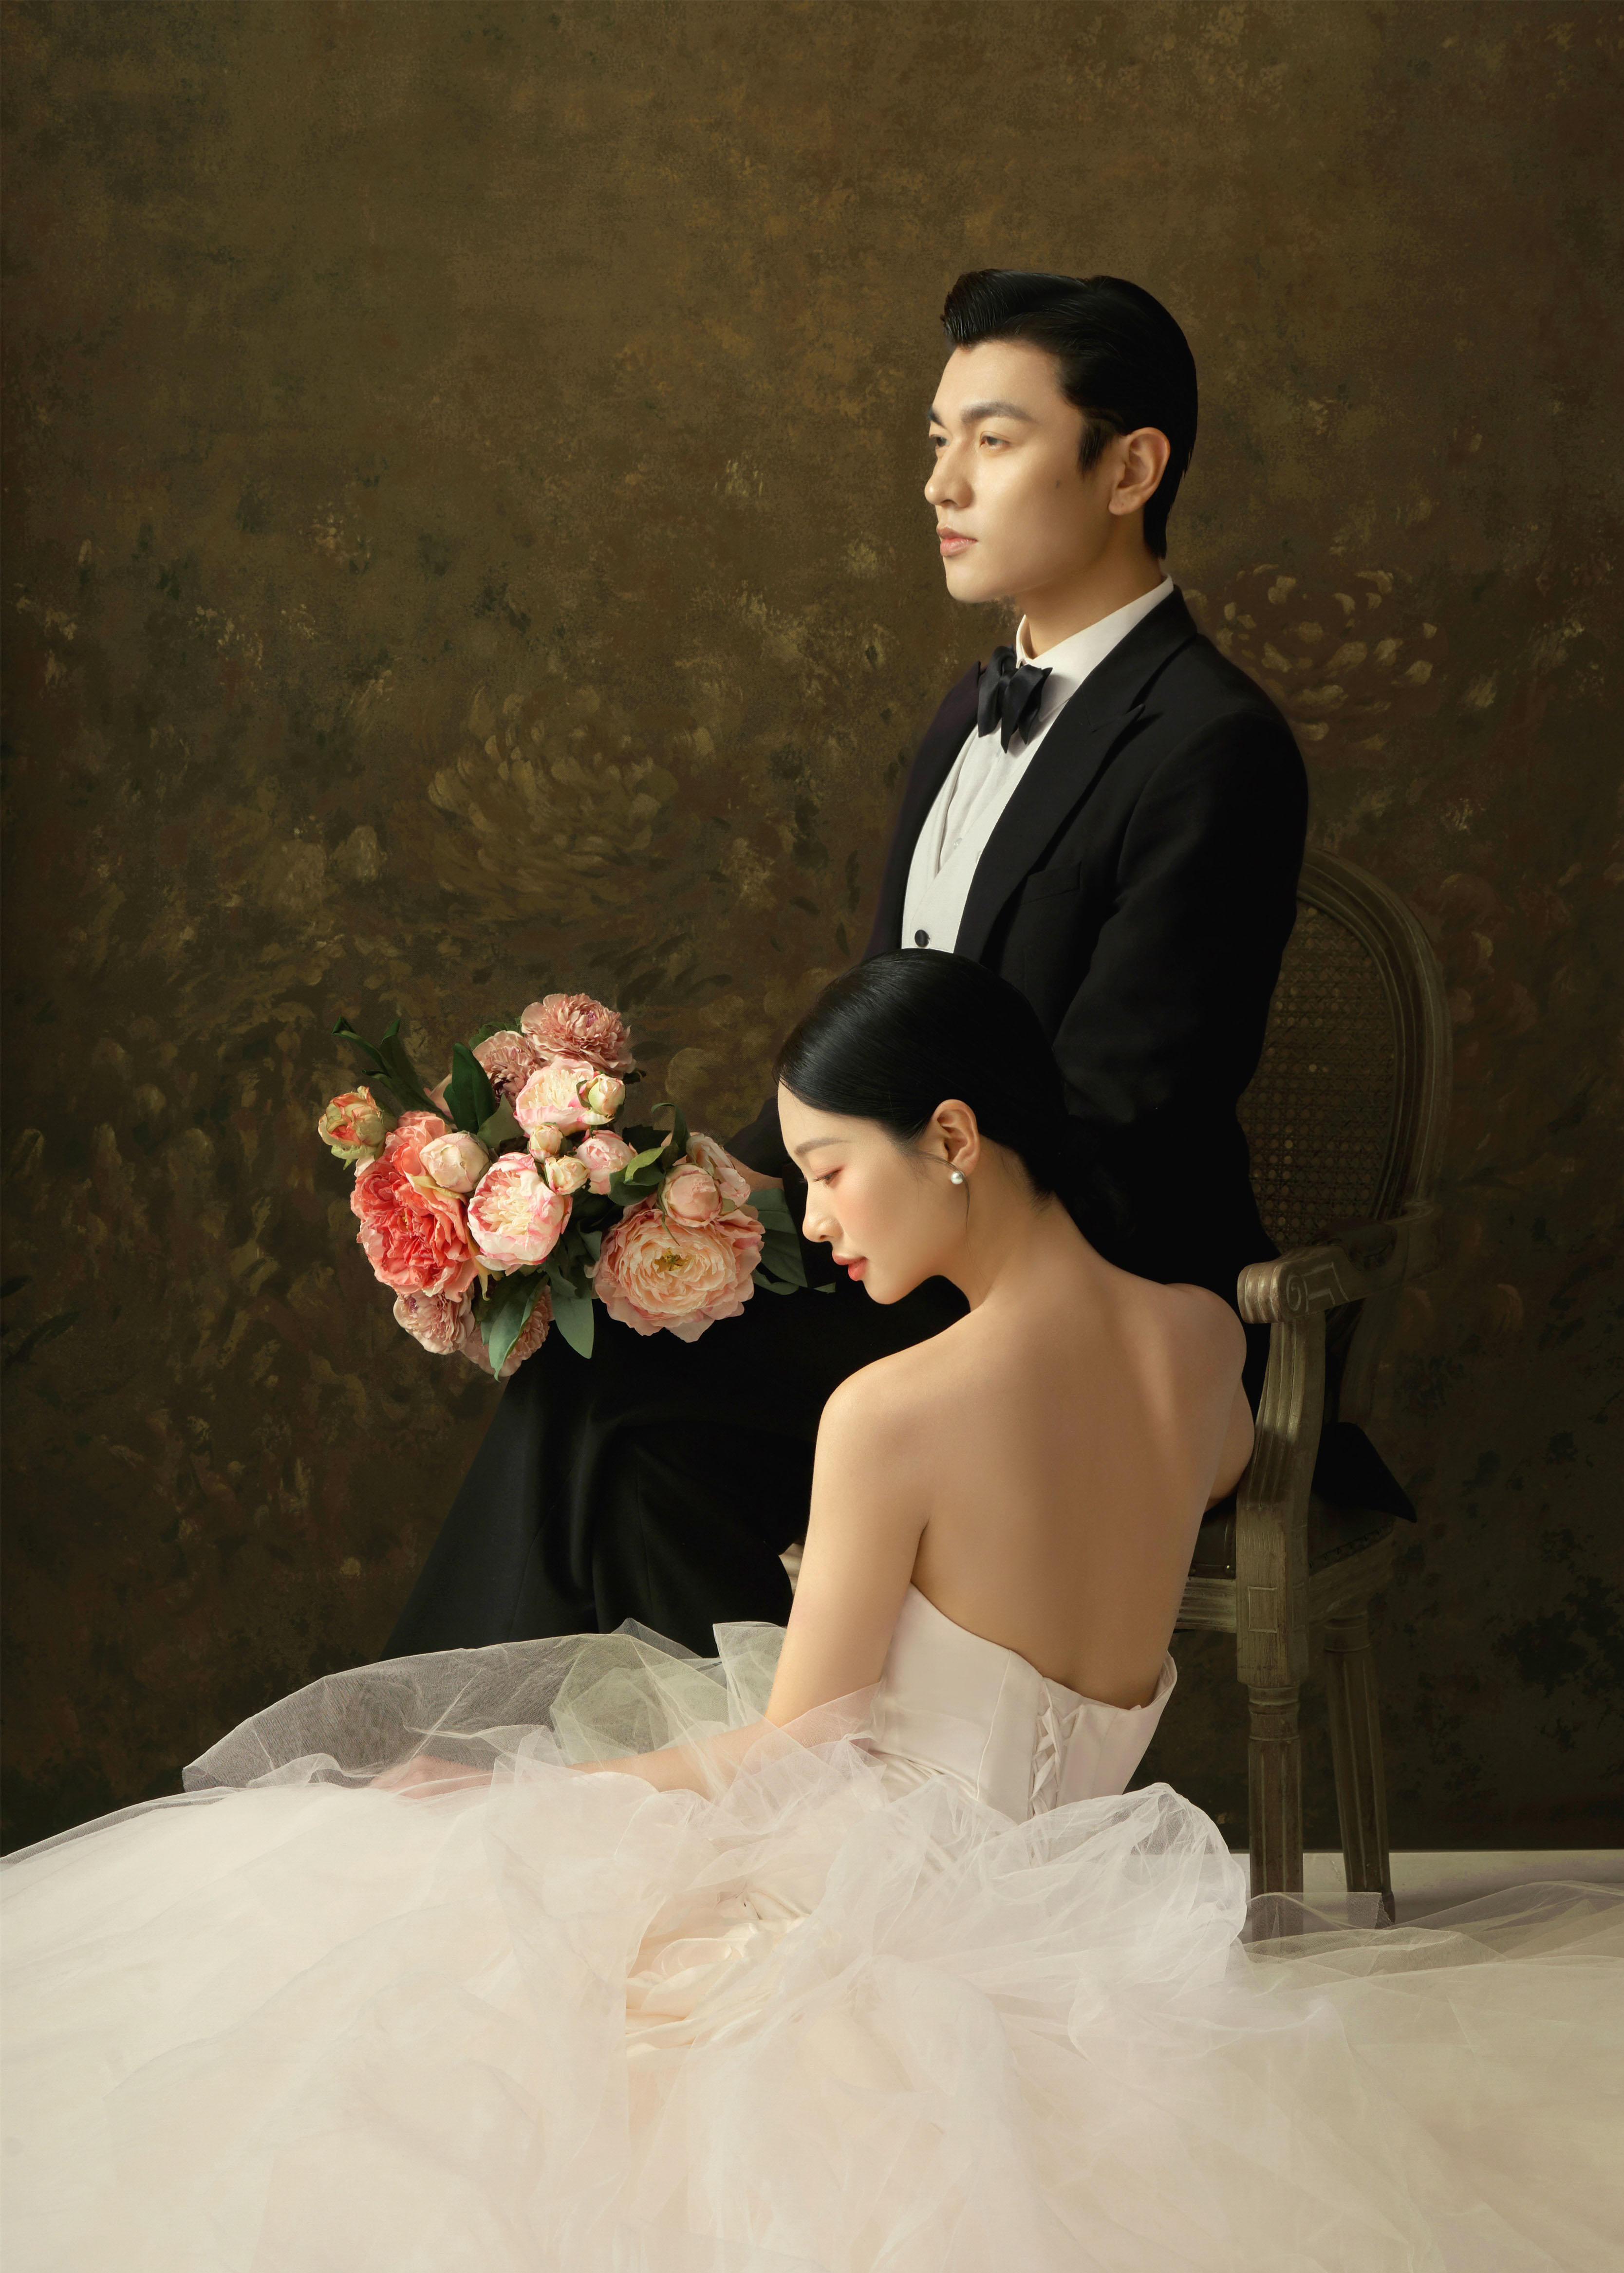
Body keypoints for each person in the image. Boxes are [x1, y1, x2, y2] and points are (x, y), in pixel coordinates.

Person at [4, 955, 1624, 2273]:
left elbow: (798, 1752)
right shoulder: (1204, 1342)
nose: (809, 1220)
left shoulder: (891, 1411)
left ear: (951, 1136)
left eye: (826, 1168)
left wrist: (519, 1797)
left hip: (889, 1902)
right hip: (1078, 1919)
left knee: (416, 1989)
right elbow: (1111, 1551)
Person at [381, 266, 1409, 1670]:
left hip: (1083, 1294)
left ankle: (502, 1776)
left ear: (1129, 469)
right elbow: (873, 1035)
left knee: (603, 1394)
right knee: (614, 1397)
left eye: (994, 440)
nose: (943, 483)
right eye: (938, 441)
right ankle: (770, 1776)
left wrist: (835, 1217)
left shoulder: (1213, 744)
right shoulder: (962, 719)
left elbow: (1126, 1108)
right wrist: (691, 1193)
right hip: (910, 1242)